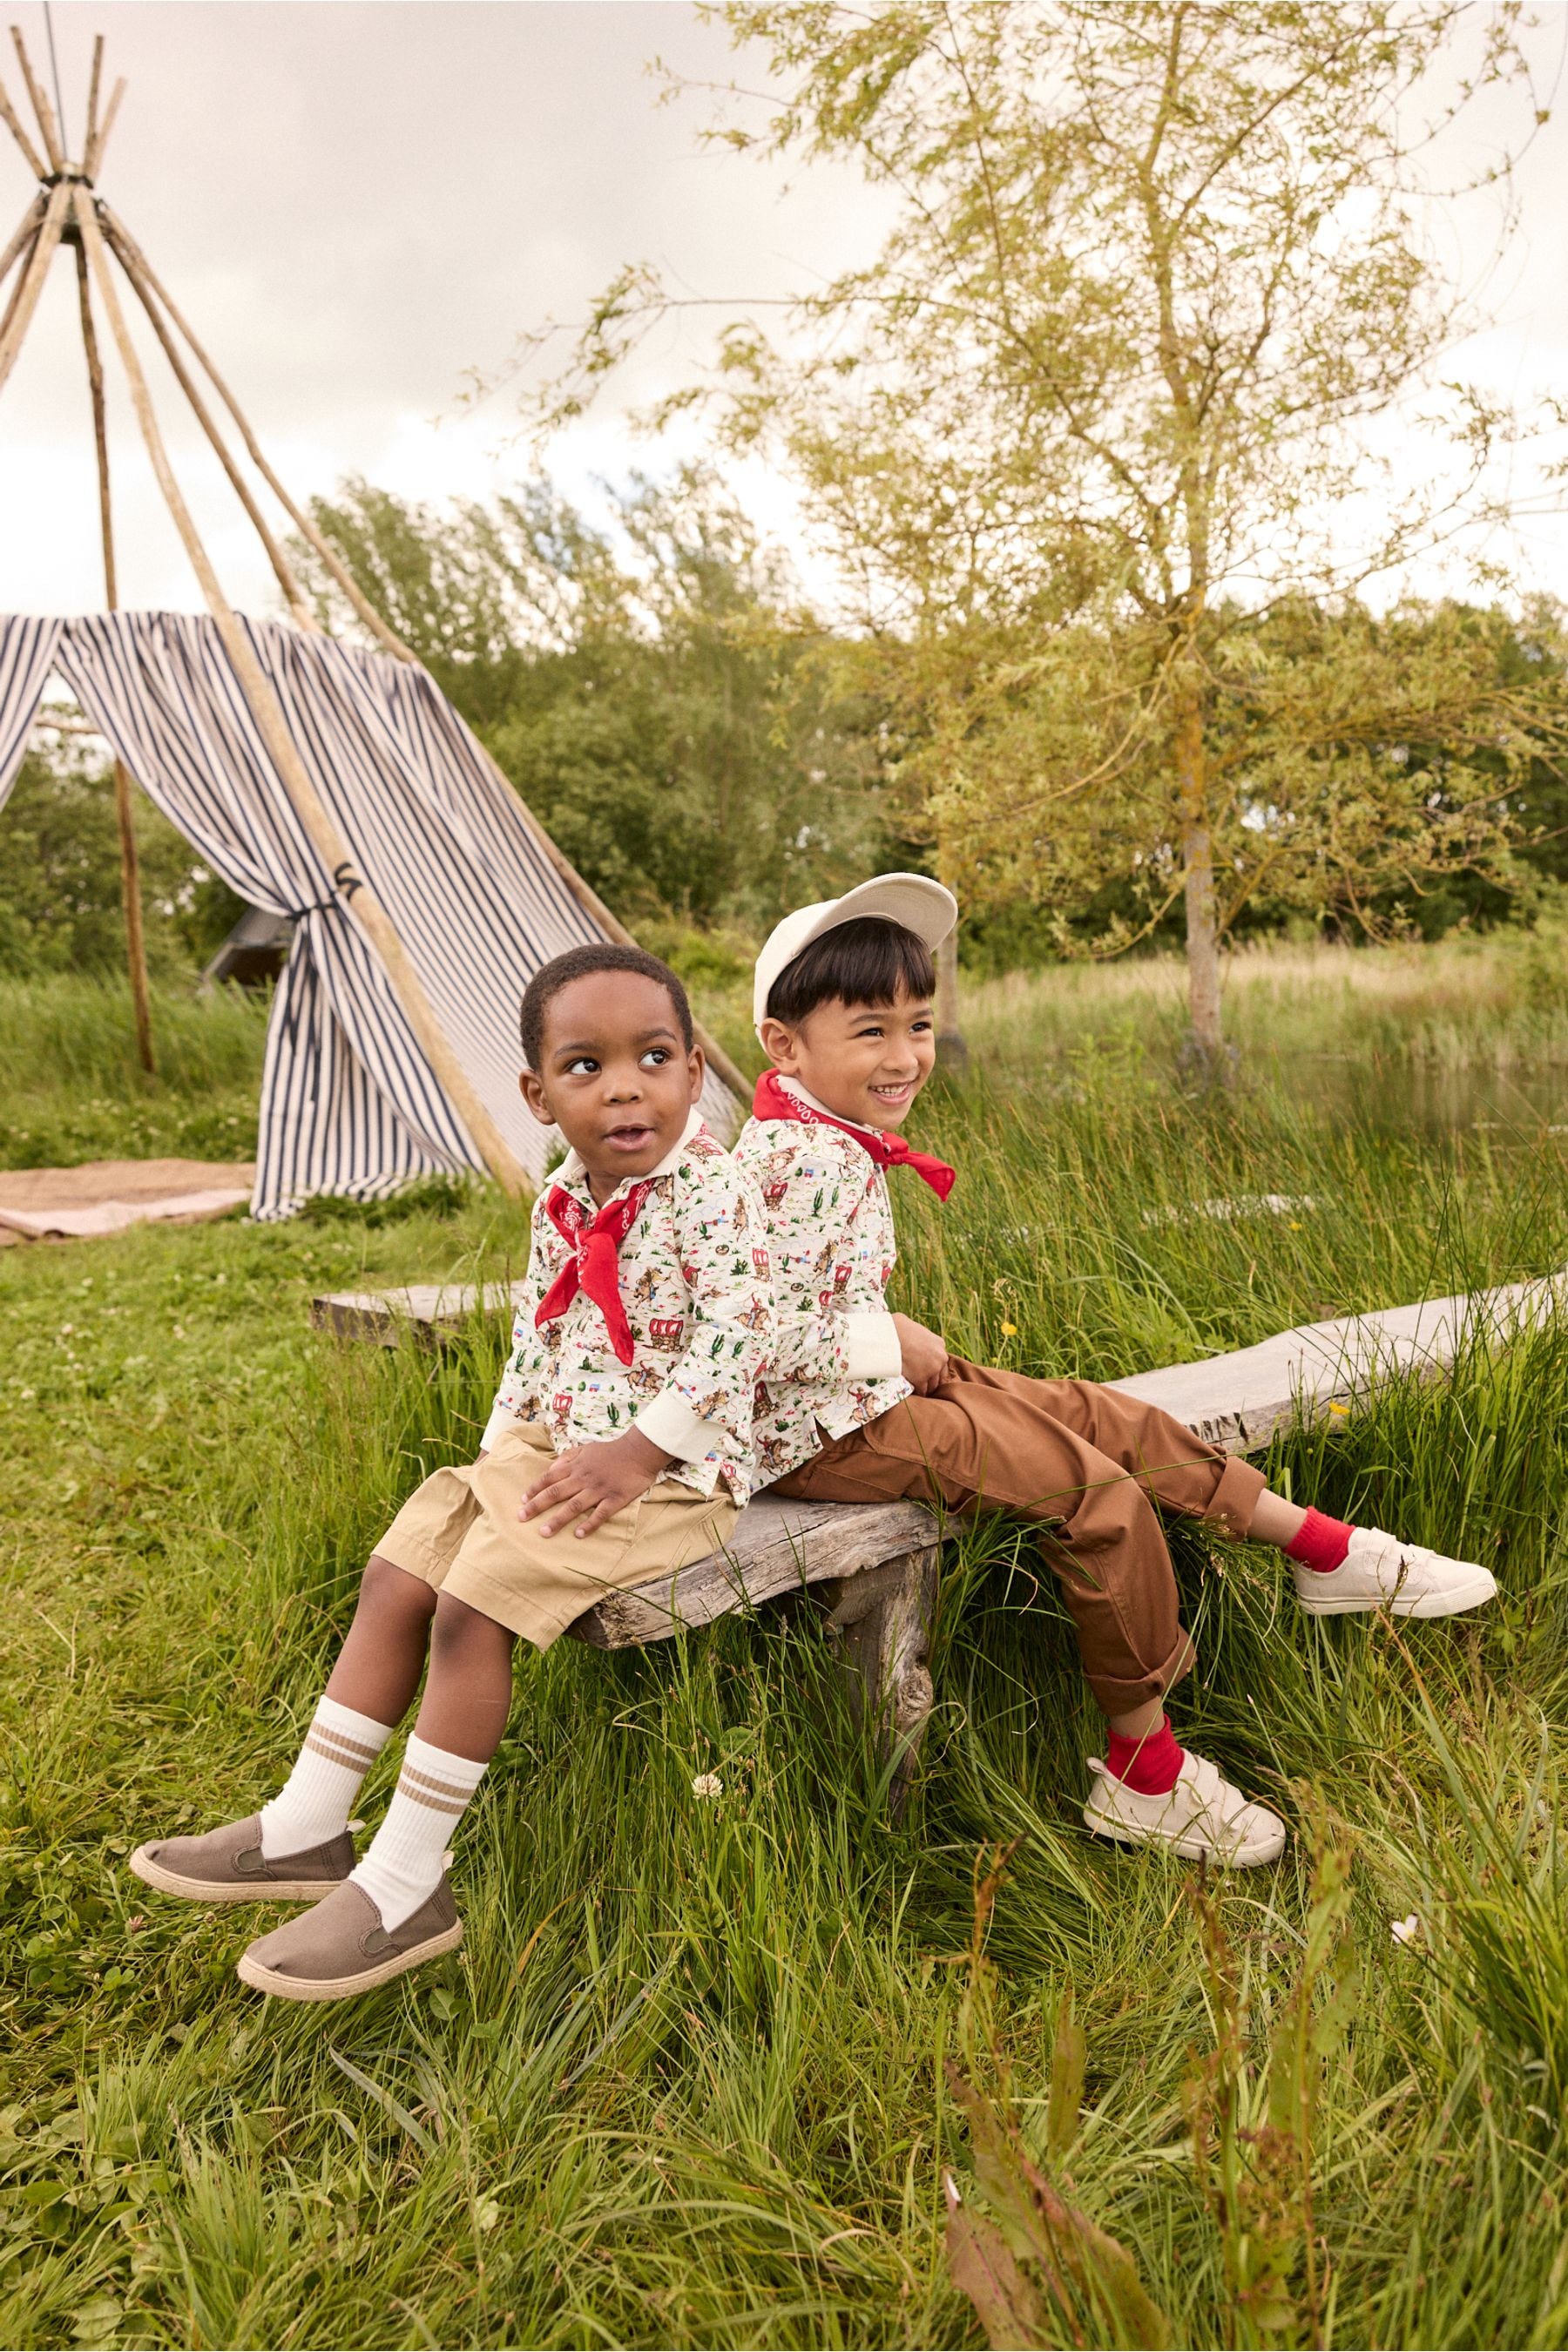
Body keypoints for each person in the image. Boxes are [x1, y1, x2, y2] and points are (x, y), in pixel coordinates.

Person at [737, 875, 1497, 1868]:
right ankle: (1145, 1776)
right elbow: (743, 1331)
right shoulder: (791, 1158)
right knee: (1093, 1496)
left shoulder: (823, 1140)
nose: (906, 1055)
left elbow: (807, 1293)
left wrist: (878, 1332)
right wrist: (884, 1340)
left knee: (1098, 1413)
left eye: (918, 1025)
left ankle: (1324, 1552)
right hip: (814, 1432)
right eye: (870, 1030)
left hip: (854, 1392)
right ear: (784, 1045)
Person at [130, 944, 772, 1999]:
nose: (624, 1085)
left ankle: (404, 1882)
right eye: (585, 1067)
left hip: (672, 1475)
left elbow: (744, 1340)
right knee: (404, 1568)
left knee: (470, 1611)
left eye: (654, 1056)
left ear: (695, 1071)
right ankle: (305, 1826)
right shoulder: (564, 1198)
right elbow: (538, 1336)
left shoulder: (714, 1193)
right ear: (537, 1095)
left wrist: (641, 1449)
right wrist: (498, 1459)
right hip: (558, 1450)